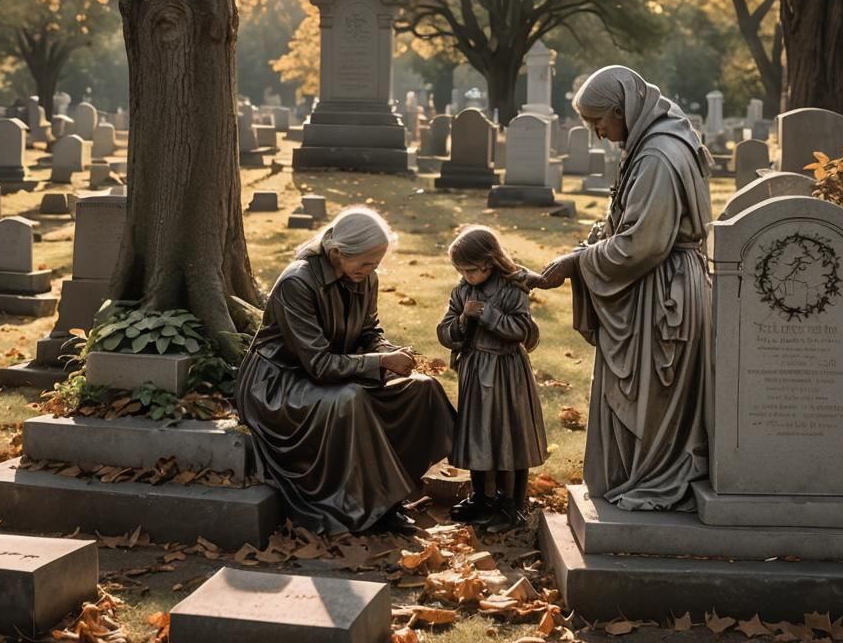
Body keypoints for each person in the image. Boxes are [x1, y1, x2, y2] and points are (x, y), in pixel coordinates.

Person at [537, 66, 713, 511]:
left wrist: (578, 262)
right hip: (652, 287)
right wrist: (589, 245)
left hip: (662, 294)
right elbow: (628, 221)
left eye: (600, 124)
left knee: (652, 403)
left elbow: (641, 244)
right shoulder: (650, 142)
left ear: (622, 110)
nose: (598, 135)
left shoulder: (657, 155)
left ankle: (652, 478)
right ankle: (634, 477)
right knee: (645, 400)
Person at [237, 207, 456, 536]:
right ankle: (369, 507)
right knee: (349, 399)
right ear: (337, 252)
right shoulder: (297, 283)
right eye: (364, 263)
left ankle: (393, 494)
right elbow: (319, 365)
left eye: (376, 264)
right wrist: (380, 363)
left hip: (336, 371)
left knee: (420, 388)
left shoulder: (365, 278)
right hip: (278, 385)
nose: (370, 271)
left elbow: (369, 332)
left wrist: (389, 352)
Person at [436, 226, 547, 532]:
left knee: (506, 433)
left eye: (470, 270)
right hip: (475, 370)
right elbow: (445, 332)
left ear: (489, 262)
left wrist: (486, 314)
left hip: (507, 371)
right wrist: (461, 320)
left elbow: (521, 330)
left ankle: (509, 504)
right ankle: (481, 497)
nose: (465, 275)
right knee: (478, 433)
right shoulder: (462, 291)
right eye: (460, 270)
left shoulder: (513, 290)